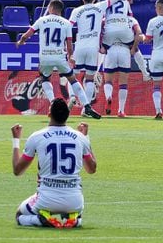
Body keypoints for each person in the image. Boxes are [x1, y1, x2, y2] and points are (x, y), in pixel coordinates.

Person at [11, 97, 97, 228]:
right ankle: (75, 219)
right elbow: (92, 169)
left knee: (19, 215)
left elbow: (18, 170)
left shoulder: (37, 136)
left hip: (46, 199)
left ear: (49, 114)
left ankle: (40, 219)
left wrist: (16, 139)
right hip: (74, 201)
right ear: (68, 115)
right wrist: (86, 138)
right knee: (72, 209)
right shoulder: (80, 137)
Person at [16, 0, 101, 119]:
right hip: (60, 56)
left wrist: (21, 41)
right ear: (61, 10)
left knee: (45, 78)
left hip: (45, 56)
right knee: (73, 80)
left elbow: (27, 34)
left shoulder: (42, 20)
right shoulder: (66, 23)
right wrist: (71, 56)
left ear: (50, 7)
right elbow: (69, 42)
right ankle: (87, 106)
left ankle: (52, 104)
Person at [68, 0, 132, 116]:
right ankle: (85, 109)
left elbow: (68, 27)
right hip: (93, 48)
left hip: (80, 45)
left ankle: (72, 96)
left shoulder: (76, 10)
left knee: (72, 77)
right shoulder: (100, 6)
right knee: (90, 79)